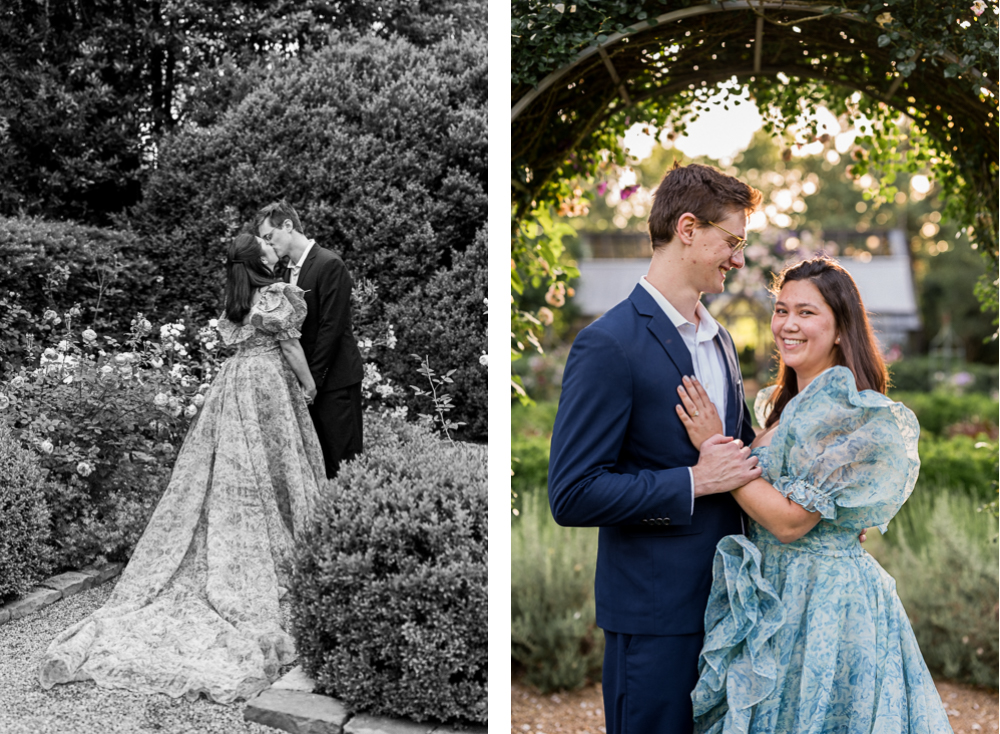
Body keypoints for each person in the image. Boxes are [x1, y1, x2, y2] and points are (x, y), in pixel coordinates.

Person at [38, 233, 327, 703]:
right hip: (268, 383)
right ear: (259, 259)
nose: (272, 247)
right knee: (276, 467)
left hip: (234, 384)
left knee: (230, 469)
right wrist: (310, 386)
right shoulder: (274, 294)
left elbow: (237, 340)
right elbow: (292, 348)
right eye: (265, 245)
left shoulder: (237, 296)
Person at [678, 257, 952, 733]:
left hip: (825, 602)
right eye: (781, 310)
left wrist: (713, 448)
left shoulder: (849, 409)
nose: (788, 324)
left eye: (807, 313)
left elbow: (788, 522)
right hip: (778, 593)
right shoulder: (782, 406)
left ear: (842, 328)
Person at [548, 163, 765, 734]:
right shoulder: (608, 344)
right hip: (654, 618)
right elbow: (572, 494)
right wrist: (693, 481)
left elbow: (736, 458)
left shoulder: (721, 343)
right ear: (688, 228)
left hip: (729, 606)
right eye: (732, 241)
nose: (738, 259)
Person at [256, 200, 364, 478]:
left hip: (334, 382)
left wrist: (311, 381)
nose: (269, 244)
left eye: (270, 237)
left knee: (343, 466)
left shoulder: (329, 264)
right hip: (308, 385)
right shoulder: (284, 274)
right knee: (315, 465)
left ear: (288, 226)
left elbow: (332, 329)